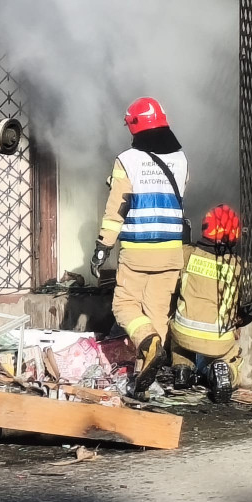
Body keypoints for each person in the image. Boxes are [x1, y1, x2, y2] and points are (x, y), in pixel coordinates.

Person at [90, 97, 188, 396]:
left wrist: (102, 246)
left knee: (124, 306)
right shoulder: (181, 158)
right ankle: (146, 379)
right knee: (157, 313)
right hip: (172, 250)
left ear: (134, 126)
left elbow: (117, 207)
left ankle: (147, 341)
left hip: (138, 249)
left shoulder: (127, 160)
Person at [169, 204, 244, 403]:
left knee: (175, 326)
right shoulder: (238, 266)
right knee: (231, 355)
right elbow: (247, 301)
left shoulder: (186, 254)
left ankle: (182, 369)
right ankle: (225, 371)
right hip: (218, 340)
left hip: (184, 333)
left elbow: (172, 284)